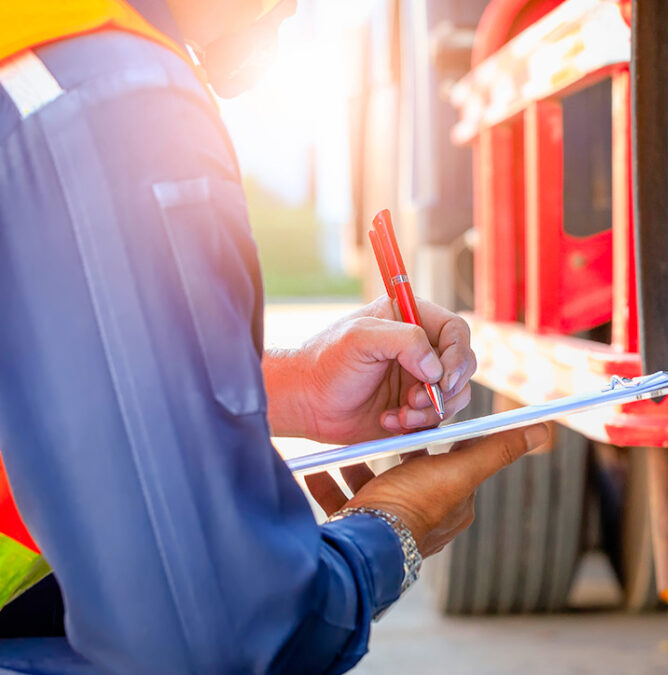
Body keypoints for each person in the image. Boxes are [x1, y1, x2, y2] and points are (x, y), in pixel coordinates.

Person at [0, 0, 548, 671]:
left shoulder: (36, 51)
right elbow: (207, 643)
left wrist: (289, 387)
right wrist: (390, 532)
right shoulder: (104, 97)